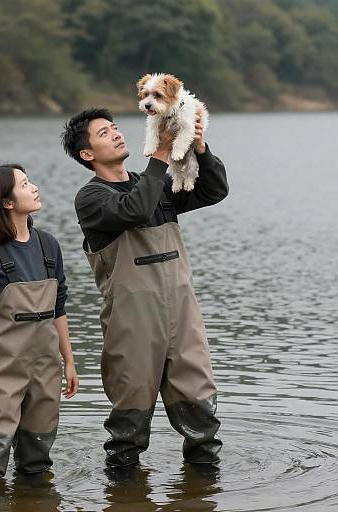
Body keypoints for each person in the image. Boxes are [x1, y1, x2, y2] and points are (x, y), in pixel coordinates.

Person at [61, 108, 227, 467]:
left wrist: (199, 147)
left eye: (116, 127)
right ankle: (122, 493)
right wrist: (161, 155)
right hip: (132, 322)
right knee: (129, 422)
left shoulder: (157, 185)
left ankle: (202, 494)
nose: (117, 134)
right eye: (104, 133)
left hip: (182, 316)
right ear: (87, 154)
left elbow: (215, 190)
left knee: (200, 411)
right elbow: (134, 210)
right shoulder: (91, 199)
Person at [0, 164, 78, 489]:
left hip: (44, 371)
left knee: (37, 465)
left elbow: (59, 306)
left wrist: (68, 361)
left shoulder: (48, 245)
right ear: (6, 202)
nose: (34, 187)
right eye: (25, 184)